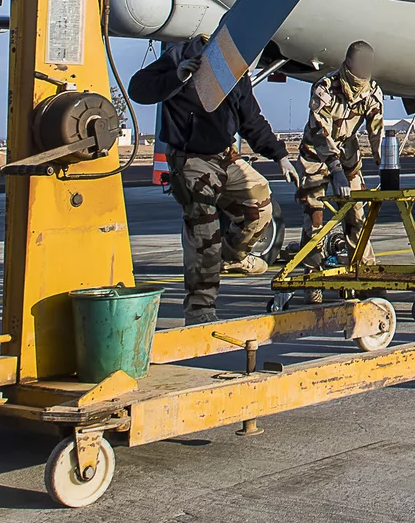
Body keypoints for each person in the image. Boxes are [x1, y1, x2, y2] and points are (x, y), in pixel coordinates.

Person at [129, 36, 291, 326]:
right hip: (190, 158)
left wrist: (279, 155)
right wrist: (177, 76)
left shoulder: (235, 67)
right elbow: (138, 89)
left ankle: (231, 255)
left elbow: (251, 119)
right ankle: (200, 311)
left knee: (260, 204)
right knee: (204, 234)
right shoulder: (181, 55)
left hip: (224, 155)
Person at [297, 42, 385, 268]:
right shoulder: (325, 88)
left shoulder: (372, 91)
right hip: (316, 156)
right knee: (314, 217)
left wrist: (383, 161)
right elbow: (320, 133)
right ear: (349, 62)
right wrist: (335, 170)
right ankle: (313, 275)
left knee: (356, 215)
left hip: (348, 154)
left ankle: (364, 270)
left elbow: (376, 130)